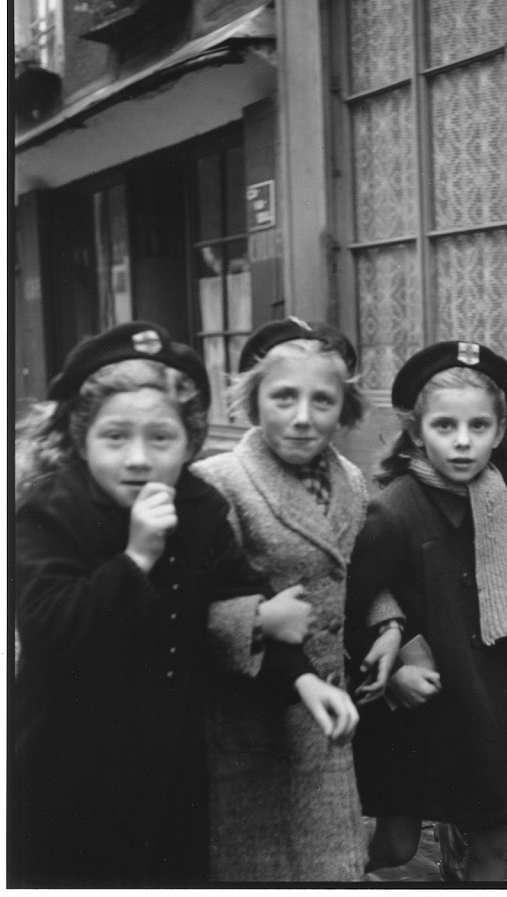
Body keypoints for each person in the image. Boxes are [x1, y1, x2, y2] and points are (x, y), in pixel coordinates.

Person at [12, 321, 315, 887]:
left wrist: (303, 678)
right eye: (115, 437)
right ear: (81, 439)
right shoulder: (49, 512)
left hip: (170, 760)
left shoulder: (199, 505)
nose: (137, 458)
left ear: (191, 440)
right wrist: (136, 557)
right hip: (69, 762)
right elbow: (51, 628)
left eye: (160, 438)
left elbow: (238, 595)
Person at [193, 317, 402, 882]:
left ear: (346, 410)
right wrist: (257, 620)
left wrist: (387, 626)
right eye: (284, 397)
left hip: (328, 711)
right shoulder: (219, 481)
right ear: (253, 400)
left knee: (330, 864)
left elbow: (351, 567)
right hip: (251, 713)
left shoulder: (352, 481)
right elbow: (193, 597)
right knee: (255, 867)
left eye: (323, 401)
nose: (303, 417)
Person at [346, 340, 507, 882]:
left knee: (490, 853)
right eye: (444, 427)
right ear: (415, 432)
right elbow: (346, 601)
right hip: (416, 710)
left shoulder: (502, 497)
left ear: (501, 432)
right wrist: (398, 664)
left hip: (485, 703)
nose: (462, 443)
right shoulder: (392, 510)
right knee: (396, 845)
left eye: (479, 427)